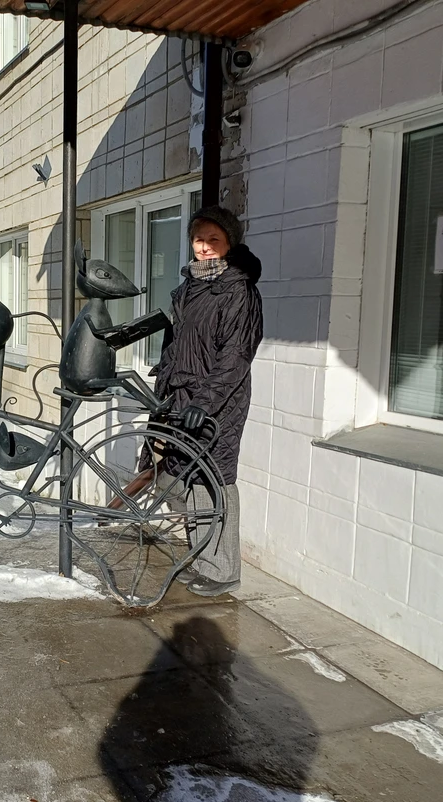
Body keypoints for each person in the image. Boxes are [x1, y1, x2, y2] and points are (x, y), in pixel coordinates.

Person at [150, 205, 263, 597]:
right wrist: (162, 384)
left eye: (213, 239)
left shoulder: (238, 290)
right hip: (185, 398)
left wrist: (207, 400)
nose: (204, 247)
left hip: (218, 402)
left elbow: (236, 355)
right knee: (190, 476)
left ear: (229, 243)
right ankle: (202, 559)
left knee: (216, 480)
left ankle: (222, 569)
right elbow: (178, 346)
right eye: (199, 239)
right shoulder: (189, 288)